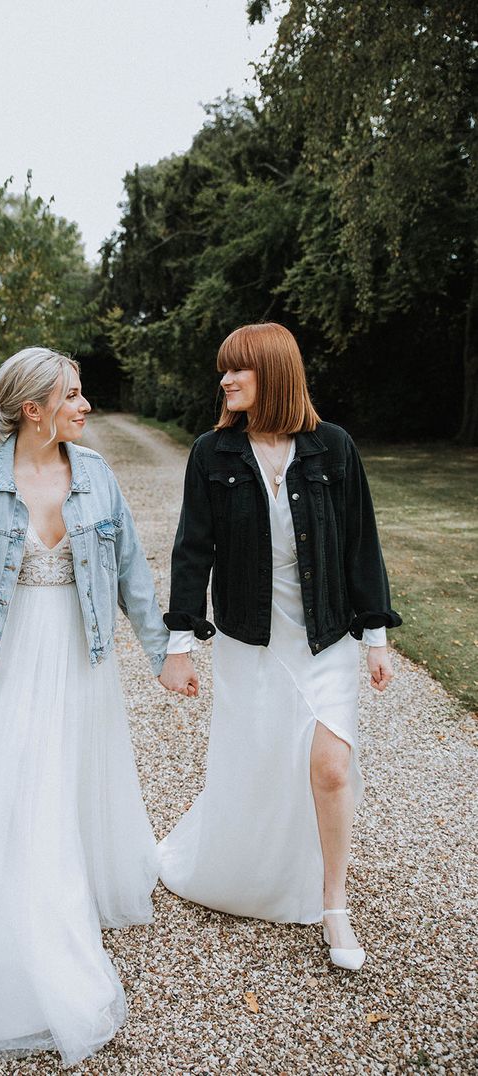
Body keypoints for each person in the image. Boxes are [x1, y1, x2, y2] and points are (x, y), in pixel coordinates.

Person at [0, 347, 174, 1066]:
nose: (85, 407)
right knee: (20, 793)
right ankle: (30, 947)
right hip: (4, 665)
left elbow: (132, 573)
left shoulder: (98, 476)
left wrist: (166, 651)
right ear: (32, 410)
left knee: (60, 786)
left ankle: (54, 904)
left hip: (80, 662)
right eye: (73, 396)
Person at [158, 323, 401, 970]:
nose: (226, 380)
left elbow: (360, 544)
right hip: (250, 642)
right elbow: (191, 551)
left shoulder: (333, 449)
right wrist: (178, 644)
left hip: (324, 639)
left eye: (240, 369)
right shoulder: (213, 453)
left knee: (330, 765)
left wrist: (375, 637)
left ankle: (334, 904)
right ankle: (251, 865)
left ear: (276, 373)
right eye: (223, 371)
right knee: (260, 763)